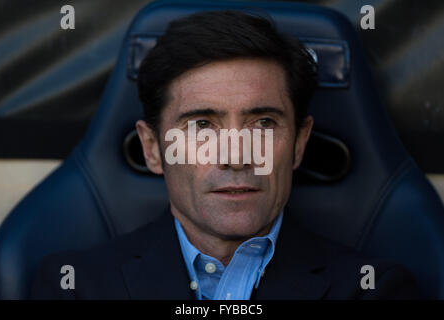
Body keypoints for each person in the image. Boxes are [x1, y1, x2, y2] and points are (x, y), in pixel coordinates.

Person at [30, 10, 420, 300]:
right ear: (153, 149)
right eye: (201, 125)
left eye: (263, 123)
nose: (236, 156)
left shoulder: (373, 290)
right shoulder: (73, 287)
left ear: (300, 143)